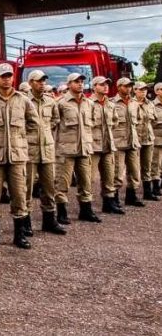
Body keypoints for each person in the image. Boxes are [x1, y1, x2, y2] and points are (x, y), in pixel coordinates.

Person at [0, 63, 38, 249]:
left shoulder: (22, 100)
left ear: (13, 78)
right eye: (3, 75)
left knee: (19, 196)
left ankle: (19, 235)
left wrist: (20, 139)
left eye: (9, 75)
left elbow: (33, 123)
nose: (6, 79)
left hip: (17, 156)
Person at [54, 73, 100, 223]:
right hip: (66, 149)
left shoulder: (89, 103)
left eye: (81, 81)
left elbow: (91, 123)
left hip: (84, 148)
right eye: (76, 81)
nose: (80, 84)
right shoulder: (60, 103)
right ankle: (61, 212)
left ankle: (86, 211)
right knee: (62, 182)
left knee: (86, 181)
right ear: (68, 84)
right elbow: (54, 124)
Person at [26, 70, 68, 232]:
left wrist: (44, 131)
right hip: (30, 149)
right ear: (30, 83)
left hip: (47, 149)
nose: (42, 83)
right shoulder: (23, 100)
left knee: (49, 186)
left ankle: (49, 221)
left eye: (44, 80)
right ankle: (26, 222)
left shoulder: (50, 101)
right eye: (38, 81)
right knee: (27, 188)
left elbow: (55, 119)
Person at [89, 77, 124, 215]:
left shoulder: (110, 104)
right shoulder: (89, 103)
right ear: (94, 87)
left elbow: (115, 121)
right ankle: (87, 206)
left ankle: (108, 204)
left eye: (107, 84)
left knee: (109, 176)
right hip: (93, 145)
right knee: (89, 178)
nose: (105, 87)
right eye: (102, 84)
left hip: (108, 145)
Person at [111, 77, 144, 207]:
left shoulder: (134, 103)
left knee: (134, 171)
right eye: (125, 86)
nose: (128, 88)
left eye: (130, 86)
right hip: (119, 141)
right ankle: (114, 198)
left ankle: (131, 196)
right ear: (119, 87)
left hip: (133, 141)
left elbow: (139, 120)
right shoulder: (112, 103)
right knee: (117, 173)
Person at [133, 82, 159, 201]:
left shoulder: (150, 104)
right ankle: (132, 193)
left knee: (147, 166)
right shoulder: (131, 104)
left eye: (145, 89)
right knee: (133, 167)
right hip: (135, 139)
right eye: (140, 89)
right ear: (135, 90)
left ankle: (147, 192)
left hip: (148, 139)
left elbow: (154, 121)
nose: (143, 91)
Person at [151, 83, 162, 197]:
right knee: (156, 164)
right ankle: (155, 186)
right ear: (157, 91)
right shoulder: (152, 105)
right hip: (157, 138)